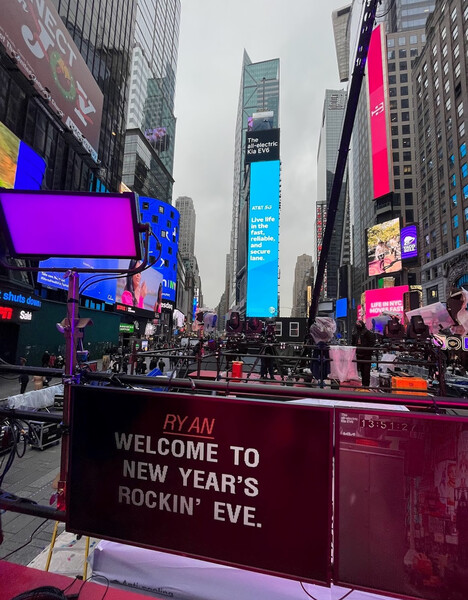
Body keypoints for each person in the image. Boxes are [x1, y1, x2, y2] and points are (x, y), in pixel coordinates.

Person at [351, 320, 376, 387]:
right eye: (356, 323)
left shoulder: (367, 333)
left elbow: (371, 343)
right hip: (358, 355)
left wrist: (368, 352)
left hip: (366, 355)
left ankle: (366, 386)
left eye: (359, 323)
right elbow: (353, 343)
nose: (357, 324)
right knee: (359, 371)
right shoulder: (355, 333)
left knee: (366, 372)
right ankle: (361, 385)